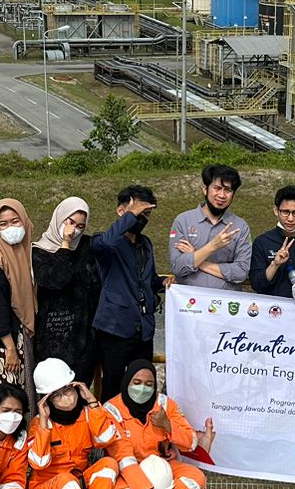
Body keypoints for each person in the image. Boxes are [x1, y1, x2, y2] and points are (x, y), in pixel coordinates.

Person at [21, 357, 124, 489]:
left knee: (108, 464)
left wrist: (93, 402)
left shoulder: (88, 414)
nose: (66, 398)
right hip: (48, 488)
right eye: (57, 395)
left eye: (68, 390)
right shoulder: (40, 424)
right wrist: (43, 423)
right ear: (47, 400)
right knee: (58, 486)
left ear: (77, 388)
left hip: (78, 487)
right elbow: (38, 463)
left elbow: (105, 438)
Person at [102, 360, 211, 489]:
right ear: (126, 382)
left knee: (198, 480)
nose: (142, 388)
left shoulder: (165, 405)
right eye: (136, 383)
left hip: (164, 467)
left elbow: (191, 442)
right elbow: (123, 457)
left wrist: (168, 425)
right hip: (129, 472)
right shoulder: (111, 410)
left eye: (149, 384)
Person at [90, 185, 166, 396]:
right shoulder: (106, 242)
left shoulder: (146, 244)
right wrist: (132, 214)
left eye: (147, 214)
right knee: (113, 385)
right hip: (115, 328)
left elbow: (148, 280)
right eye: (140, 212)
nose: (142, 218)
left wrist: (164, 283)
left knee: (141, 385)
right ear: (121, 211)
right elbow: (103, 244)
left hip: (143, 329)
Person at [32, 196, 101, 385]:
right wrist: (65, 245)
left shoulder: (88, 247)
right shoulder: (39, 251)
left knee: (79, 391)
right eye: (70, 222)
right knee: (54, 392)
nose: (74, 229)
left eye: (80, 226)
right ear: (59, 218)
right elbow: (55, 280)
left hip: (83, 337)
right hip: (52, 334)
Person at [0, 198, 38, 405]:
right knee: (5, 402)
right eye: (3, 224)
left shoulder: (28, 253)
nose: (10, 228)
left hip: (21, 337)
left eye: (15, 221)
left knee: (24, 397)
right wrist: (10, 349)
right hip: (3, 346)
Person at [169, 163, 251, 290]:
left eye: (228, 190)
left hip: (226, 305)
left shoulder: (240, 226)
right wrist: (212, 246)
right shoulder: (183, 221)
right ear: (205, 189)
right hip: (189, 305)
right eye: (217, 188)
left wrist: (196, 257)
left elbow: (241, 272)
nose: (222, 195)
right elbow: (178, 267)